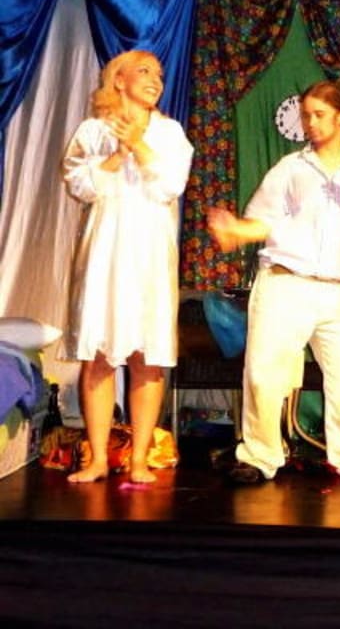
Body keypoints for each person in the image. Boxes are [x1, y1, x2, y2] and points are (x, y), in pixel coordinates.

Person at [208, 81, 340, 486]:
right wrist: (238, 231)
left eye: (319, 114)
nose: (311, 123)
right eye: (306, 115)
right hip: (285, 283)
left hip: (338, 290)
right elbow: (263, 220)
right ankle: (259, 456)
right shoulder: (291, 168)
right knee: (264, 374)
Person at [62, 49, 194, 484]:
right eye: (144, 71)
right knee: (99, 355)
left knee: (146, 356)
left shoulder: (170, 133)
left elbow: (171, 186)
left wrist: (139, 145)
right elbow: (80, 185)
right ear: (118, 80)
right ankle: (98, 459)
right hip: (105, 252)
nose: (156, 79)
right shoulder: (93, 130)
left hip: (150, 254)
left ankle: (139, 459)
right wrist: (117, 156)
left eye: (159, 73)